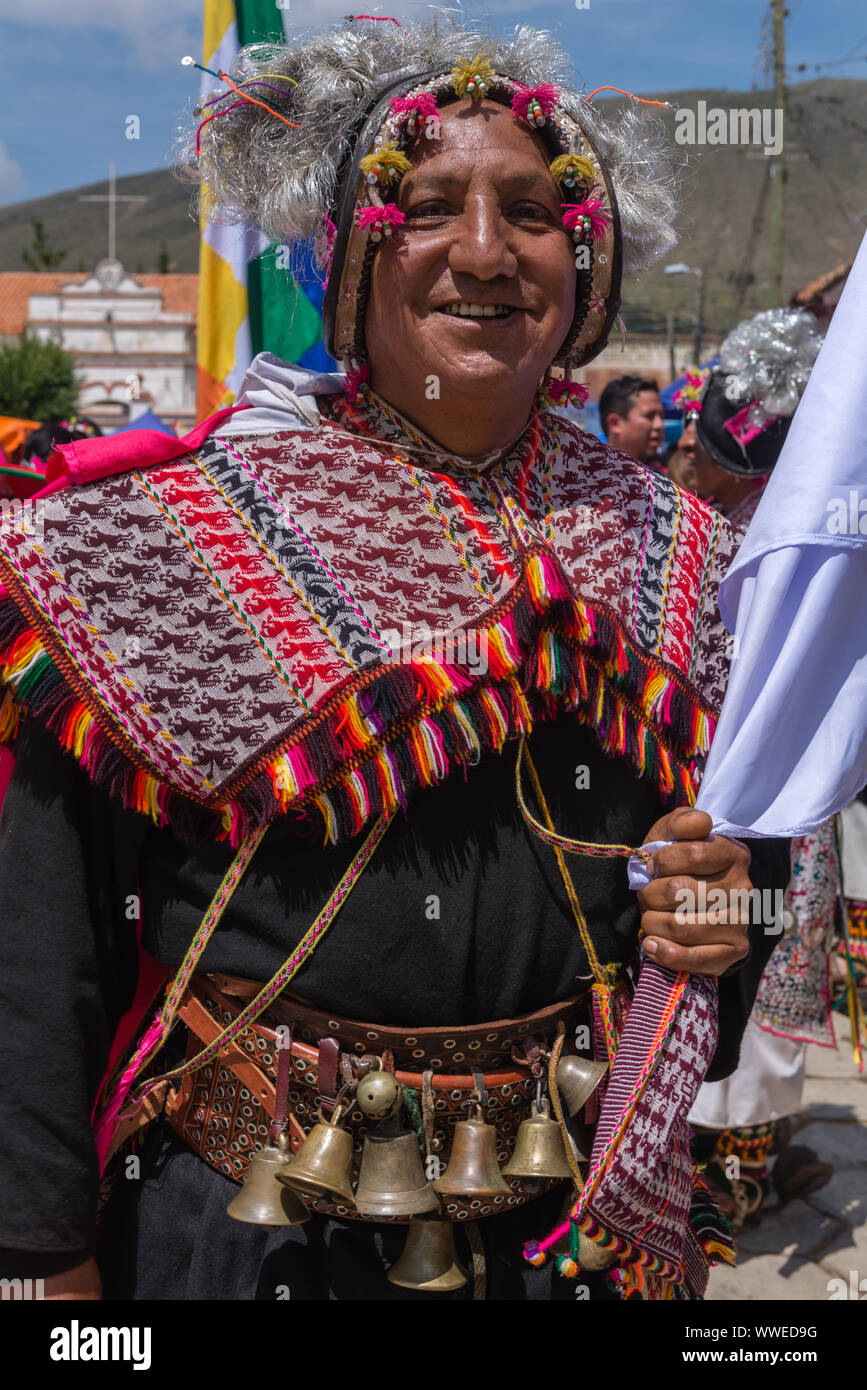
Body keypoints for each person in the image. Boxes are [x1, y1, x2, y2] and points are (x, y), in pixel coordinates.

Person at [0, 20, 790, 1302]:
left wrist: (720, 919)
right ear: (349, 257)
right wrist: (44, 1263)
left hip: (571, 1235)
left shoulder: (695, 570)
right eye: (427, 208)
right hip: (247, 1239)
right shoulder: (155, 548)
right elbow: (43, 943)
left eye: (534, 211)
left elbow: (743, 914)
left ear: (586, 266)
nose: (486, 251)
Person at [678, 309, 837, 1226]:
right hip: (759, 809)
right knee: (744, 964)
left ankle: (727, 1171)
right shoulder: (809, 552)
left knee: (735, 967)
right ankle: (724, 1172)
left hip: (729, 806)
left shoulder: (701, 538)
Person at [598, 374, 664, 467]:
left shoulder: (669, 477)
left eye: (662, 416)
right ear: (615, 423)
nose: (659, 425)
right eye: (649, 416)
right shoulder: (590, 475)